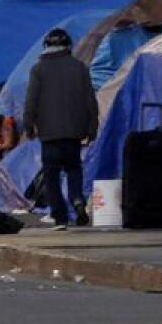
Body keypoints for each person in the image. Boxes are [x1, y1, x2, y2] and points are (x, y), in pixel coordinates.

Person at [23, 28, 99, 230]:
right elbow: (90, 100)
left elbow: (31, 101)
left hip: (49, 134)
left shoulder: (38, 69)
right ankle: (77, 199)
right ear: (68, 46)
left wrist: (28, 126)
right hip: (74, 132)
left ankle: (60, 217)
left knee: (51, 174)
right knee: (74, 169)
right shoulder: (79, 67)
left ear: (46, 46)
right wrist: (92, 128)